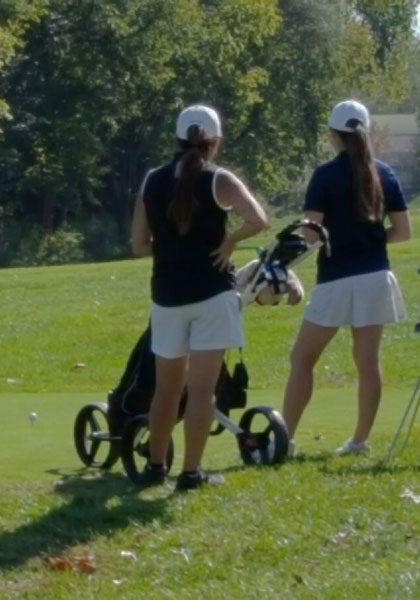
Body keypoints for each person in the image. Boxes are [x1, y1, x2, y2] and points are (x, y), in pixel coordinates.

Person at [131, 105, 268, 490]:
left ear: (177, 139)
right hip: (211, 294)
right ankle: (191, 473)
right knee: (202, 390)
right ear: (215, 140)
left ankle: (155, 468)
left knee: (166, 390)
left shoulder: (151, 181)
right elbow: (257, 219)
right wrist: (229, 241)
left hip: (168, 297)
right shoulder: (218, 179)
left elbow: (140, 245)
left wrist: (172, 248)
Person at [281, 99, 411, 456]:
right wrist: (369, 240)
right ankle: (359, 441)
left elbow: (310, 235)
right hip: (375, 276)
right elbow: (402, 231)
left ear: (333, 135)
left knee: (302, 360)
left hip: (336, 278)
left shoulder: (325, 175)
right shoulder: (385, 173)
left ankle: (285, 439)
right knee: (367, 361)